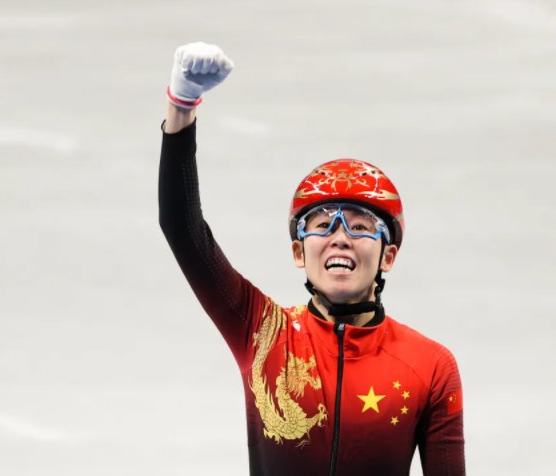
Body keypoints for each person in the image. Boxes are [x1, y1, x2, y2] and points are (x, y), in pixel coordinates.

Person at [159, 42, 465, 476]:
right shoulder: (262, 332)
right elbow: (182, 228)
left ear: (388, 256)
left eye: (360, 226)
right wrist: (182, 105)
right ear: (298, 251)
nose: (340, 238)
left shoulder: (431, 366)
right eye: (322, 225)